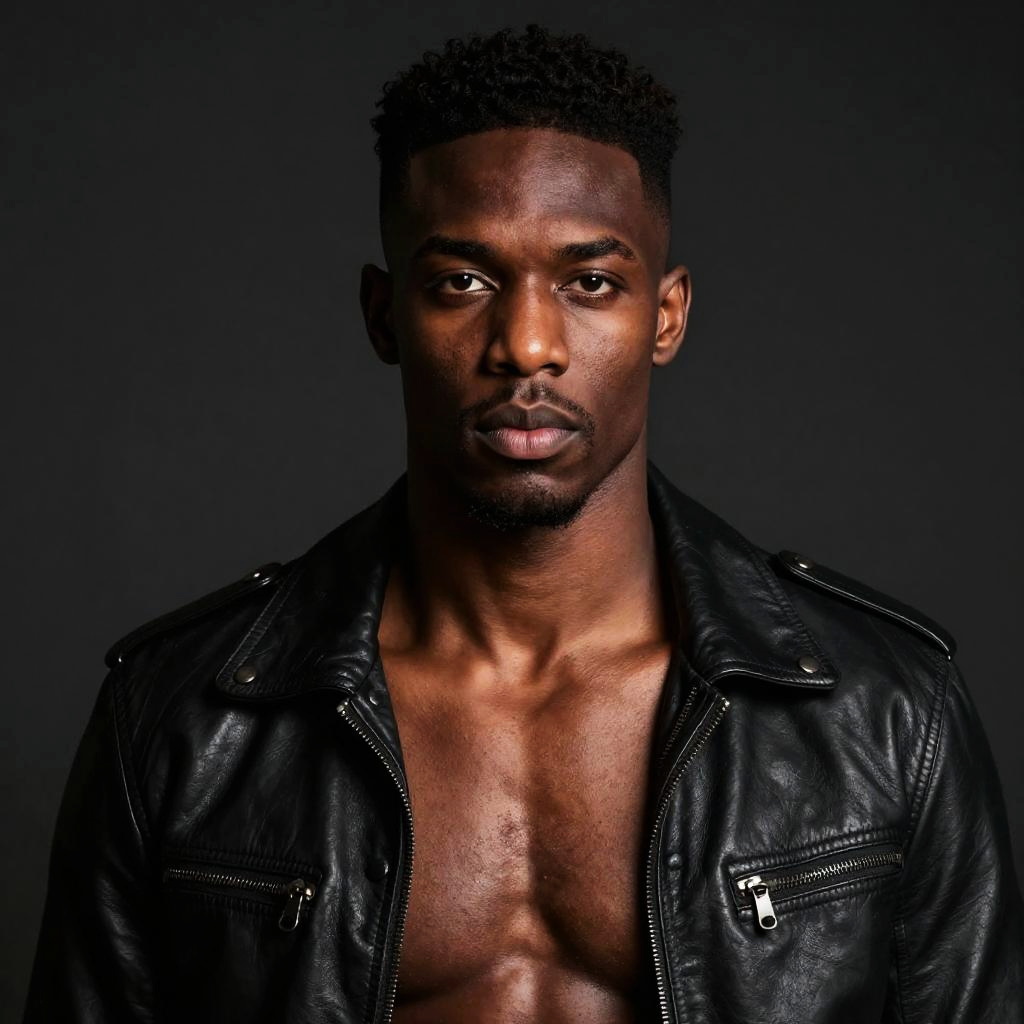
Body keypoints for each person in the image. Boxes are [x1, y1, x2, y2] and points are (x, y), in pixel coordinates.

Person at [24, 24, 1023, 1024]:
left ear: (666, 315)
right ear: (383, 315)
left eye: (590, 282)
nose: (527, 345)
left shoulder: (889, 714)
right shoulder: (181, 720)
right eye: (462, 281)